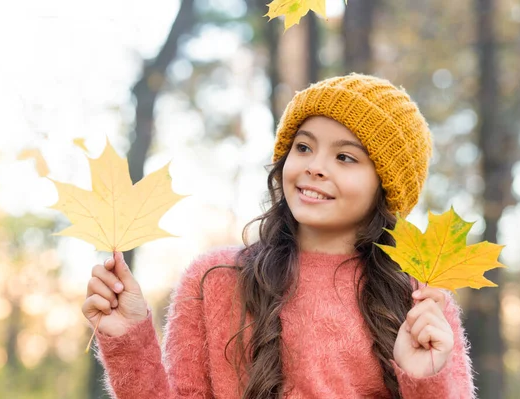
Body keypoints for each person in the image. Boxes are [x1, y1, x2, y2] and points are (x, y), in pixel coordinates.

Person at [82, 74, 475, 398]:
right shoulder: (215, 278)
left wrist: (426, 380)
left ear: (385, 187)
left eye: (345, 157)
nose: (315, 167)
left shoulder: (419, 298)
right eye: (303, 147)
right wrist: (128, 340)